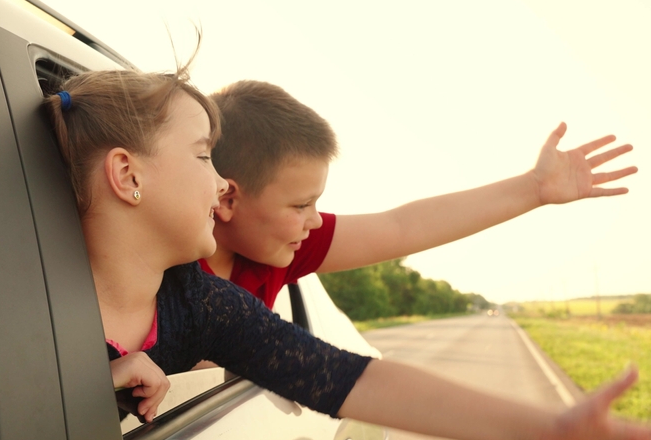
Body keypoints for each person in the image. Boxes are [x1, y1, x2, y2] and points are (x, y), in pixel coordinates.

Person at [44, 63, 650, 440]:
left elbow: (352, 370)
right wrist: (83, 391)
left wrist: (545, 428)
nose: (219, 184)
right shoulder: (26, 302)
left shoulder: (204, 305)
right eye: (205, 158)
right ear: (126, 175)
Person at [202, 80, 637, 309]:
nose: (315, 220)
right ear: (226, 200)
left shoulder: (277, 246)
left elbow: (403, 226)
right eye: (301, 205)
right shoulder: (165, 258)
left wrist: (534, 188)